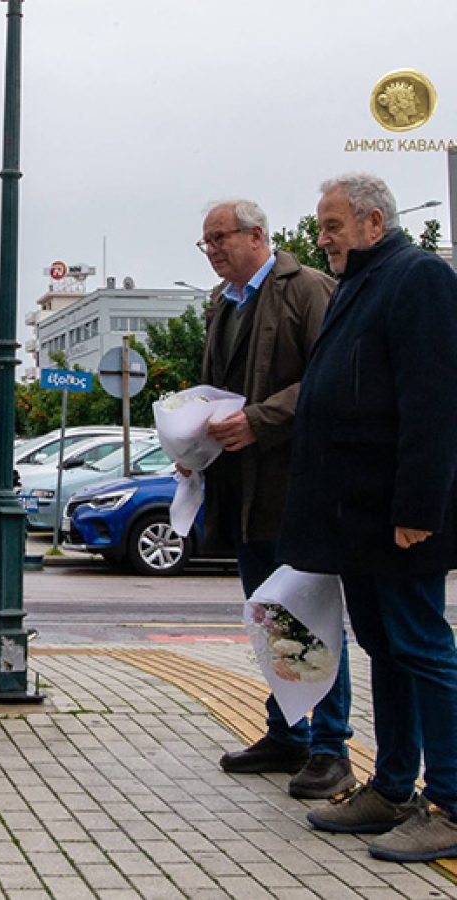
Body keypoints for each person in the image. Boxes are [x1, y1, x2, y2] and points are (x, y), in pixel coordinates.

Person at [281, 173, 457, 862]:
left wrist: (418, 507)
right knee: (387, 647)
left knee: (423, 647)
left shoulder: (418, 279)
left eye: (331, 227)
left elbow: (434, 402)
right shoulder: (364, 281)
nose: (321, 238)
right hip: (358, 516)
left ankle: (449, 800)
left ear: (373, 223)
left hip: (398, 515)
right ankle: (392, 788)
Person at [192, 198, 355, 799]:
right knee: (270, 616)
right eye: (205, 242)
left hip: (295, 484)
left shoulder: (306, 288)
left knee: (310, 616)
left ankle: (331, 748)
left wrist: (260, 419)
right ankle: (287, 732)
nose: (211, 250)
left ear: (257, 235)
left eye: (219, 238)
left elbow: (330, 379)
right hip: (241, 486)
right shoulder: (221, 302)